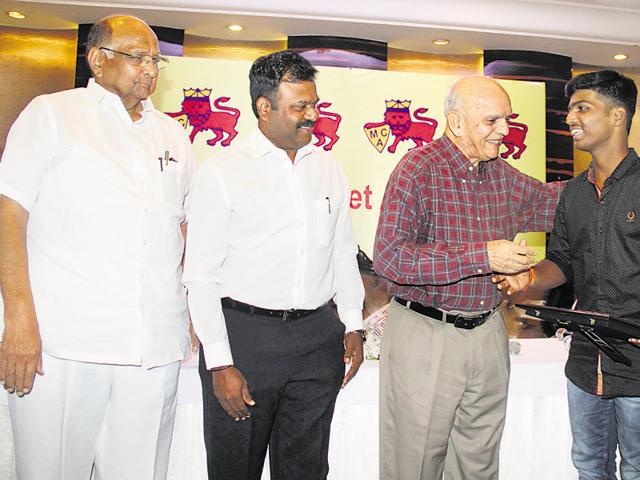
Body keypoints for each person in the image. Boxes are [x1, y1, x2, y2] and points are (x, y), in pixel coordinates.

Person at [0, 15, 195, 480]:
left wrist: (188, 313)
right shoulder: (52, 114)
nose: (149, 69)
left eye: (155, 60)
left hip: (153, 349)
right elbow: (10, 217)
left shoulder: (173, 135)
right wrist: (19, 319)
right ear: (97, 59)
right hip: (64, 344)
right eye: (138, 57)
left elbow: (183, 231)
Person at [183, 49, 365, 480]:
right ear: (264, 108)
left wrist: (353, 323)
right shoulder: (222, 174)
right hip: (246, 340)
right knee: (235, 467)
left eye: (315, 104)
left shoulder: (329, 170)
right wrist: (221, 364)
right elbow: (201, 277)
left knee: (305, 468)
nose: (312, 115)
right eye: (299, 106)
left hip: (318, 339)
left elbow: (342, 252)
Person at [373, 76, 564, 480]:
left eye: (508, 120)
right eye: (492, 120)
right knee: (415, 463)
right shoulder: (418, 169)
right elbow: (390, 258)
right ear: (456, 122)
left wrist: (611, 180)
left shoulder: (502, 176)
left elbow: (557, 204)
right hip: (426, 332)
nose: (505, 130)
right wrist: (483, 256)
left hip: (489, 333)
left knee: (479, 463)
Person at [493, 70, 640, 480]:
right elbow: (562, 262)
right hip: (583, 361)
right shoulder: (572, 193)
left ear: (617, 116)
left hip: (637, 362)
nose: (570, 118)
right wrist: (526, 278)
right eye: (570, 108)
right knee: (589, 467)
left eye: (582, 107)